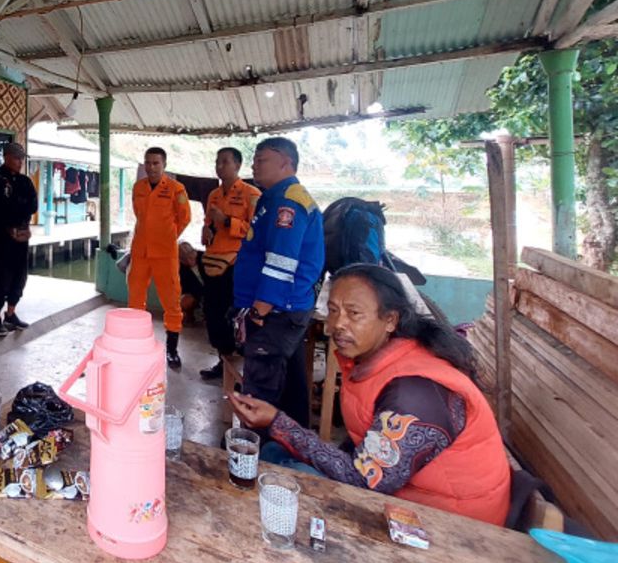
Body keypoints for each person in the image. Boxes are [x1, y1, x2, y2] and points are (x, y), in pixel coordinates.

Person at [229, 264, 511, 526]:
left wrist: (276, 422)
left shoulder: (415, 393)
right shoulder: (381, 360)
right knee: (273, 454)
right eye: (333, 310)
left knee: (277, 475)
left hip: (450, 523)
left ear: (390, 320)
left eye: (354, 313)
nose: (337, 324)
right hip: (406, 493)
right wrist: (280, 428)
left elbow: (365, 480)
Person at [233, 137, 324, 428]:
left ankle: (255, 445)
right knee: (291, 382)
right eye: (254, 160)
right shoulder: (273, 197)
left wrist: (259, 311)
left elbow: (281, 261)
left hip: (275, 310)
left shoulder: (289, 202)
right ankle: (295, 439)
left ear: (286, 162)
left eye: (262, 160)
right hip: (282, 308)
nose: (254, 166)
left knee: (261, 384)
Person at [199, 147, 261, 380]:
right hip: (213, 261)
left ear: (237, 165)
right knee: (212, 314)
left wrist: (227, 221)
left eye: (225, 161)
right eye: (217, 161)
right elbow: (208, 223)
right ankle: (223, 362)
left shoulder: (251, 194)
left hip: (238, 264)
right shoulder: (213, 195)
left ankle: (241, 369)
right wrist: (207, 230)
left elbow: (256, 231)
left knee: (234, 315)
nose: (219, 166)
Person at [128, 147, 191, 369]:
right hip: (141, 251)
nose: (151, 167)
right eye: (148, 163)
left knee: (171, 301)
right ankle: (135, 342)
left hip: (165, 253)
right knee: (135, 298)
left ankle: (172, 349)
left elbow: (184, 218)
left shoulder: (176, 188)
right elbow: (138, 215)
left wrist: (168, 236)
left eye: (156, 163)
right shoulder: (138, 187)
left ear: (164, 165)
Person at [0, 141, 39, 337]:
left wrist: (17, 209)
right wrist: (17, 210)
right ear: (6, 157)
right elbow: (1, 208)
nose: (20, 162)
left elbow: (33, 205)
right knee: (2, 276)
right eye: (16, 158)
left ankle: (11, 313)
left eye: (22, 158)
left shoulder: (25, 181)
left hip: (21, 235)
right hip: (4, 236)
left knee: (20, 275)